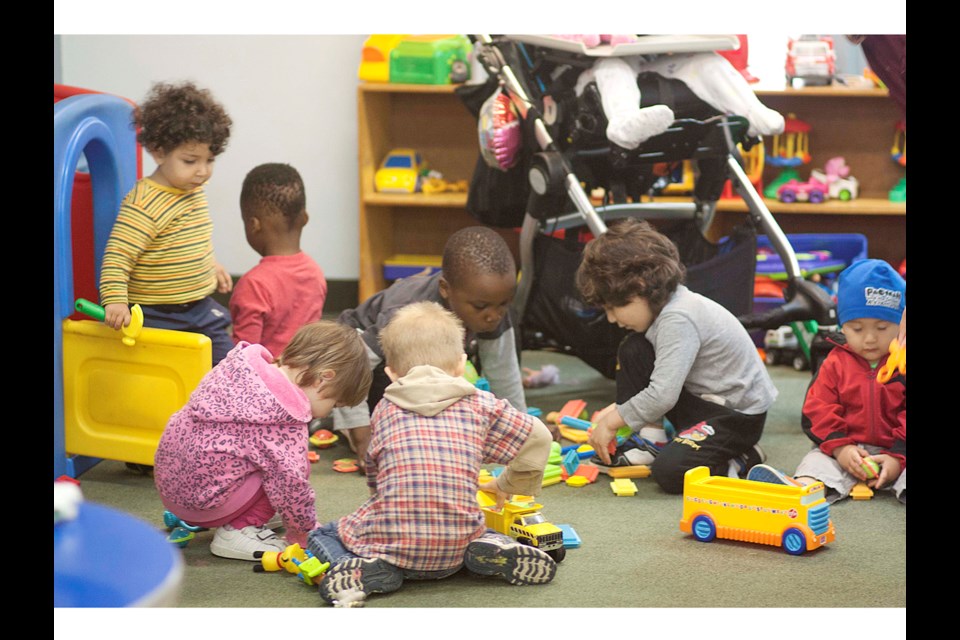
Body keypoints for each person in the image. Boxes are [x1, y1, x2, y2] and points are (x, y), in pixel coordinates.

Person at [307, 301, 556, 605]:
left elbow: (375, 475)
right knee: (479, 526)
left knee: (324, 534)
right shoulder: (482, 404)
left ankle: (365, 569)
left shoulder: (384, 410)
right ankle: (492, 547)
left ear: (391, 373)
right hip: (455, 550)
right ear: (460, 364)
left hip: (393, 546)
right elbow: (539, 435)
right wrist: (508, 484)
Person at [576, 218, 777, 494]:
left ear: (642, 286)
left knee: (670, 472)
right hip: (703, 399)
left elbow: (662, 395)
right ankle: (652, 440)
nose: (611, 318)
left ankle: (741, 458)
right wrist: (622, 410)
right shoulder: (662, 309)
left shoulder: (678, 318)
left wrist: (614, 420)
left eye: (616, 306)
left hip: (734, 417)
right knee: (633, 349)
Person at [154, 321, 372, 560]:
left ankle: (237, 512)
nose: (326, 413)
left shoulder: (241, 367)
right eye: (334, 404)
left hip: (172, 485)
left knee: (256, 457)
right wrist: (303, 534)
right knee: (280, 473)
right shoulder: (285, 417)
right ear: (323, 379)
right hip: (207, 505)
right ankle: (238, 530)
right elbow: (292, 488)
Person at [332, 225, 530, 469]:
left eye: (504, 304)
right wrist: (362, 436)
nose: (494, 315)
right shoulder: (407, 315)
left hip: (413, 368)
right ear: (446, 289)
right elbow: (352, 367)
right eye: (481, 307)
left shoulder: (493, 308)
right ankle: (337, 419)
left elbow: (504, 376)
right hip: (356, 366)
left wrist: (523, 429)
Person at [98, 81, 235, 365]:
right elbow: (117, 258)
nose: (202, 171)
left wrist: (211, 264)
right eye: (190, 161)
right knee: (165, 369)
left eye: (209, 160)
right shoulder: (144, 204)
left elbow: (188, 238)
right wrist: (115, 300)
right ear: (159, 152)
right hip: (155, 312)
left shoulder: (192, 190)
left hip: (198, 306)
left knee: (230, 363)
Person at [750, 259, 906, 504]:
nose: (869, 339)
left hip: (899, 450)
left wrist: (898, 457)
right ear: (842, 326)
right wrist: (840, 449)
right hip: (846, 449)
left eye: (882, 327)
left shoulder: (903, 362)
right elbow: (817, 409)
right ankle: (799, 491)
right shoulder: (834, 362)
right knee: (815, 463)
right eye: (856, 328)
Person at [230, 163, 327, 356]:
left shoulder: (254, 285)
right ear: (305, 218)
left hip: (265, 383)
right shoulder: (314, 272)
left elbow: (242, 358)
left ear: (253, 225)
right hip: (303, 380)